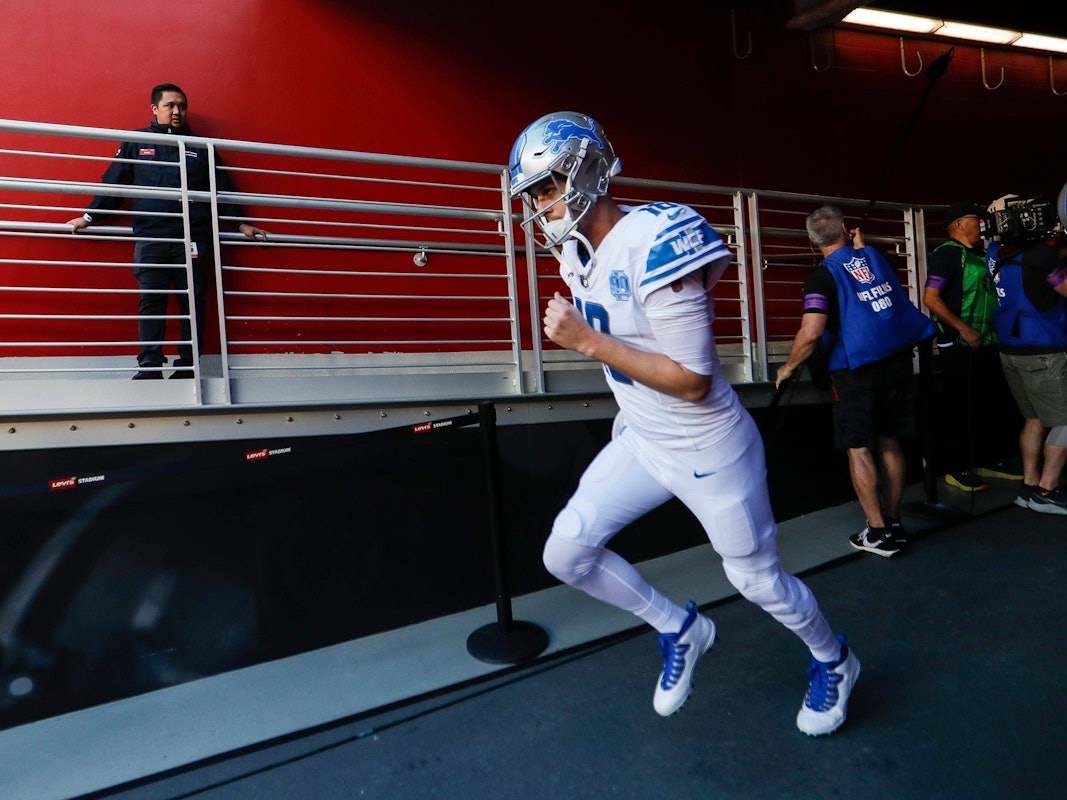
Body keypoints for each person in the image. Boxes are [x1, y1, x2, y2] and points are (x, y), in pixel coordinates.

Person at [508, 111, 859, 736]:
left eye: (547, 186)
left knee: (757, 581)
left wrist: (588, 342)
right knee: (566, 552)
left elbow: (693, 380)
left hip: (707, 445)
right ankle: (681, 627)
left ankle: (835, 658)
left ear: (586, 169)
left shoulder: (659, 239)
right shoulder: (573, 250)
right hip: (646, 440)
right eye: (533, 194)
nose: (541, 205)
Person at [67, 83, 267, 379]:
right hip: (151, 238)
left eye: (182, 106)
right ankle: (150, 363)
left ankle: (188, 365)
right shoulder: (136, 142)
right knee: (152, 299)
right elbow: (114, 185)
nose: (177, 111)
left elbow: (221, 190)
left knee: (193, 301)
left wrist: (240, 223)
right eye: (170, 105)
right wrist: (88, 217)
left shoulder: (201, 147)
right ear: (155, 109)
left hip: (193, 238)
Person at [776, 206, 935, 558]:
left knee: (859, 448)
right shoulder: (874, 257)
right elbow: (862, 264)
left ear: (810, 241)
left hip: (854, 371)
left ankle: (878, 532)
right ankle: (893, 522)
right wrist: (858, 244)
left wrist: (788, 367)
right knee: (891, 442)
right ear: (847, 230)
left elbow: (811, 332)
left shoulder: (820, 277)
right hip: (895, 362)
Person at [922, 202, 1021, 492]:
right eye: (974, 219)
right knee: (959, 408)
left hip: (989, 340)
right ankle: (958, 468)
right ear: (958, 224)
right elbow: (931, 297)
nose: (981, 223)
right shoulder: (948, 254)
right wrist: (963, 328)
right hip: (961, 344)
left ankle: (989, 460)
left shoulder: (982, 254)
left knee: (989, 404)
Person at [985, 196, 1067, 515]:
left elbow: (1031, 268)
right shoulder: (1040, 255)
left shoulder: (995, 252)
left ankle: (1029, 486)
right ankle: (1047, 489)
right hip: (1044, 352)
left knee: (1033, 419)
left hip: (1011, 351)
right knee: (1065, 420)